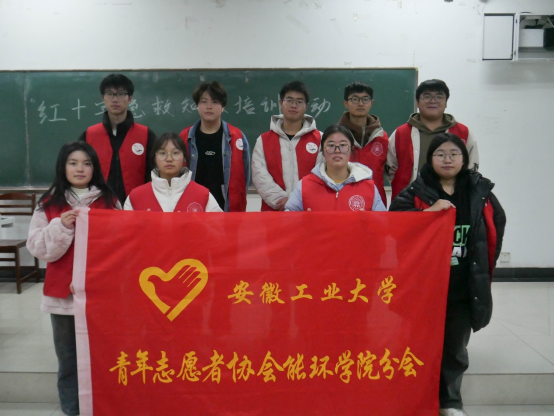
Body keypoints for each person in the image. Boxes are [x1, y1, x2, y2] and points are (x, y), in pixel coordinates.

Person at [389, 133, 506, 416]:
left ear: (464, 159)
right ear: (430, 159)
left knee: (455, 348)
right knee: (419, 344)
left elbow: (496, 225)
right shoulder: (415, 192)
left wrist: (481, 266)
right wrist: (428, 213)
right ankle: (415, 397)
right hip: (424, 285)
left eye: (454, 154)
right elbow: (394, 228)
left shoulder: (479, 191)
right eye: (440, 154)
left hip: (463, 284)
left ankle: (450, 402)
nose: (447, 159)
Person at [26, 141, 120, 416]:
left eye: (87, 163)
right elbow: (37, 248)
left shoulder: (110, 201)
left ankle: (103, 406)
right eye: (73, 163)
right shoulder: (49, 203)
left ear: (95, 168)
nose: (80, 169)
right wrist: (60, 227)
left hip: (99, 295)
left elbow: (119, 248)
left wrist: (90, 279)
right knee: (68, 359)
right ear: (62, 167)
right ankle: (72, 409)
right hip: (62, 297)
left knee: (103, 356)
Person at [386, 79, 479, 201]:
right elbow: (390, 168)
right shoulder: (401, 133)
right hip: (409, 201)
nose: (433, 101)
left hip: (453, 200)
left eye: (439, 97)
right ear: (417, 102)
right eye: (426, 96)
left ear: (446, 103)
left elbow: (471, 169)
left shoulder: (462, 132)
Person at [79, 73, 157, 205]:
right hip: (97, 206)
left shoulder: (146, 135)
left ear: (130, 98)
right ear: (103, 97)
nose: (115, 99)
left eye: (121, 94)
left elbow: (155, 174)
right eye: (110, 94)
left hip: (136, 206)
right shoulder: (89, 135)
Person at [179, 81, 250, 212]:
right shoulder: (185, 137)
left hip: (227, 209)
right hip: (192, 209)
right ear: (197, 105)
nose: (209, 107)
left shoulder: (237, 137)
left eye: (215, 102)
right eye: (204, 102)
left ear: (223, 106)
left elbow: (245, 176)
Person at [252, 81, 323, 211]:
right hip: (274, 211)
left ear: (306, 106)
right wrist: (281, 200)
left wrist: (299, 201)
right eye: (289, 100)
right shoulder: (263, 140)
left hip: (309, 209)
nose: (293, 105)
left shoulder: (320, 139)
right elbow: (259, 175)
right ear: (281, 103)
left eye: (299, 101)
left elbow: (322, 174)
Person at [285, 124, 386, 212]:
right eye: (331, 145)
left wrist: (368, 221)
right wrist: (303, 221)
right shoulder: (305, 185)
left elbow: (382, 223)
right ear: (322, 150)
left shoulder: (369, 187)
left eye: (343, 145)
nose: (337, 151)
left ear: (351, 150)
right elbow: (288, 220)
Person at [124, 132, 222, 212]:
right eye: (162, 153)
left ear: (184, 157)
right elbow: (127, 229)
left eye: (175, 153)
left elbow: (217, 228)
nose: (169, 159)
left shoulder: (203, 196)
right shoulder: (135, 197)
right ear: (155, 158)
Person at [338, 81, 388, 206]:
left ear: (371, 103)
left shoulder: (381, 137)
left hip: (376, 201)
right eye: (355, 99)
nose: (360, 103)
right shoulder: (335, 137)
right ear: (345, 103)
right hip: (343, 200)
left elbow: (392, 170)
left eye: (365, 99)